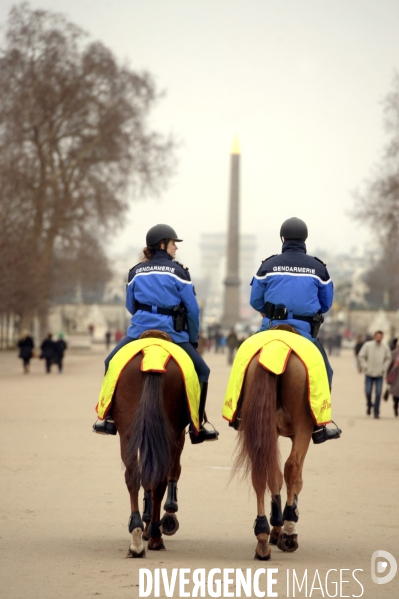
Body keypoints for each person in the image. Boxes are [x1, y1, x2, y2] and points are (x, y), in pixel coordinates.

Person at [93, 224, 219, 444]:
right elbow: (193, 309)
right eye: (173, 244)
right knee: (202, 371)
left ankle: (108, 418)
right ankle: (196, 426)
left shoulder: (135, 271)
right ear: (162, 245)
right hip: (172, 333)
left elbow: (130, 305)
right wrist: (193, 337)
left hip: (139, 330)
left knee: (110, 362)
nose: (176, 249)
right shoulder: (180, 272)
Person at [249, 217, 341, 444]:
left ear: (282, 238)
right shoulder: (319, 268)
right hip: (304, 333)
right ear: (305, 239)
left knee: (244, 363)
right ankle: (320, 425)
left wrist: (269, 311)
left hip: (270, 328)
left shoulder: (267, 265)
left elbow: (255, 300)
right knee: (326, 371)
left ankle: (240, 413)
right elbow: (326, 304)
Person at [358, 330, 391, 418]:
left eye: (380, 336)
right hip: (369, 372)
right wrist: (365, 366)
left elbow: (388, 358)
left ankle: (376, 411)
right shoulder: (368, 345)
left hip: (379, 373)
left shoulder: (385, 347)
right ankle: (369, 404)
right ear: (374, 336)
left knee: (378, 393)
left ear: (382, 337)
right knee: (368, 391)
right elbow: (361, 356)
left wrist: (384, 368)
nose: (379, 338)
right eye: (377, 336)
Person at [386, 344, 399, 417]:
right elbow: (389, 364)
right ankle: (395, 406)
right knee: (395, 394)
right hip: (395, 376)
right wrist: (388, 375)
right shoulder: (393, 353)